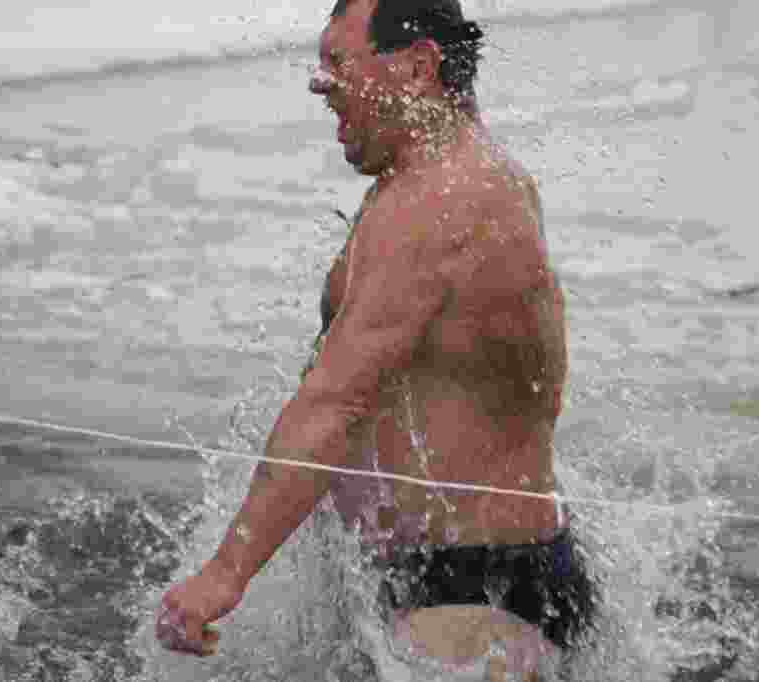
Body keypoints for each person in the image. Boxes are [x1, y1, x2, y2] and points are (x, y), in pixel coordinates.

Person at [157, 0, 597, 678]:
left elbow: (338, 402)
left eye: (338, 63)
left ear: (419, 67)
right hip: (426, 574)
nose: (320, 86)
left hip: (475, 592)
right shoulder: (429, 181)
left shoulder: (447, 198)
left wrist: (224, 573)